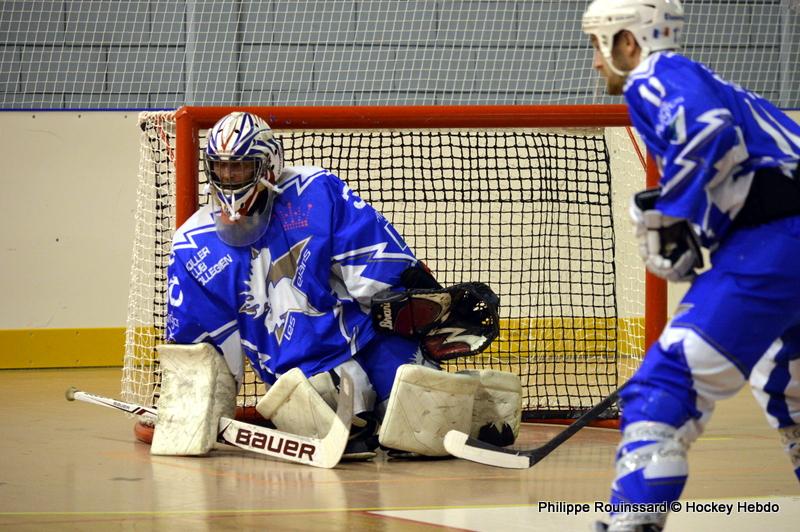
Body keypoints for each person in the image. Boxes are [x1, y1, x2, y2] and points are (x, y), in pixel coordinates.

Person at [164, 111, 516, 459]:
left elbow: (373, 259)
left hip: (367, 339)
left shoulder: (313, 191)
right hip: (302, 371)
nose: (228, 177)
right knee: (329, 408)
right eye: (221, 167)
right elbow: (202, 351)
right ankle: (385, 421)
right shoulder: (193, 246)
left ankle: (483, 403)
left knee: (424, 413)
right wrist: (192, 413)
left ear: (268, 164)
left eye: (239, 166)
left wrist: (424, 306)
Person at [581, 0, 800, 530]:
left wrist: (669, 211)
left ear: (627, 43)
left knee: (667, 385)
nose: (594, 62)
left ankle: (631, 522)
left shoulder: (654, 76)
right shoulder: (711, 82)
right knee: (788, 391)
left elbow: (709, 132)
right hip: (777, 243)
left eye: (597, 45)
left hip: (777, 246)